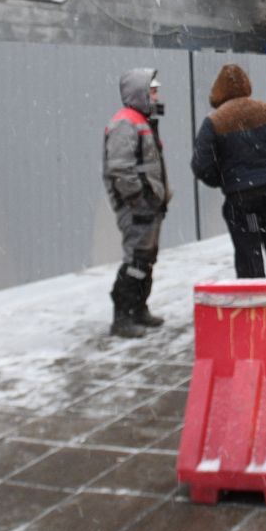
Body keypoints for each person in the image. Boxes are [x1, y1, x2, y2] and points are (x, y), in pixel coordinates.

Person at [191, 63, 266, 279]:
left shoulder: (214, 121)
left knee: (249, 254)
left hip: (242, 199)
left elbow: (201, 165)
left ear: (218, 90)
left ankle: (255, 305)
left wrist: (224, 180)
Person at [103, 68, 170, 337]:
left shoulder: (140, 120)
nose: (156, 96)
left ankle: (139, 309)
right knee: (135, 260)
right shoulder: (125, 123)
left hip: (148, 204)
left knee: (145, 259)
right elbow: (120, 169)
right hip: (137, 207)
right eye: (152, 91)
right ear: (139, 93)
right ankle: (122, 317)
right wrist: (139, 199)